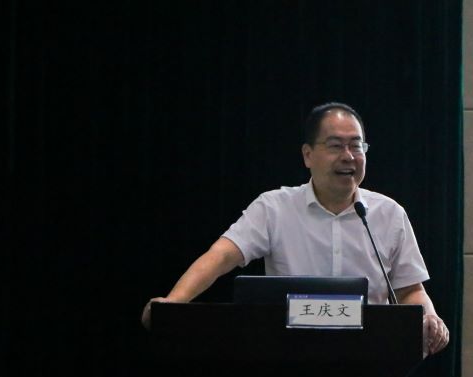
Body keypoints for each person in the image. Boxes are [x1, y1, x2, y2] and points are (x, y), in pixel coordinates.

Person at [141, 102, 449, 354]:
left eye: (357, 146)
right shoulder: (274, 207)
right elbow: (221, 256)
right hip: (287, 359)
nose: (348, 156)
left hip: (369, 364)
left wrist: (429, 317)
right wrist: (173, 303)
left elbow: (411, 290)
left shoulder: (389, 214)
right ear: (307, 155)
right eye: (335, 145)